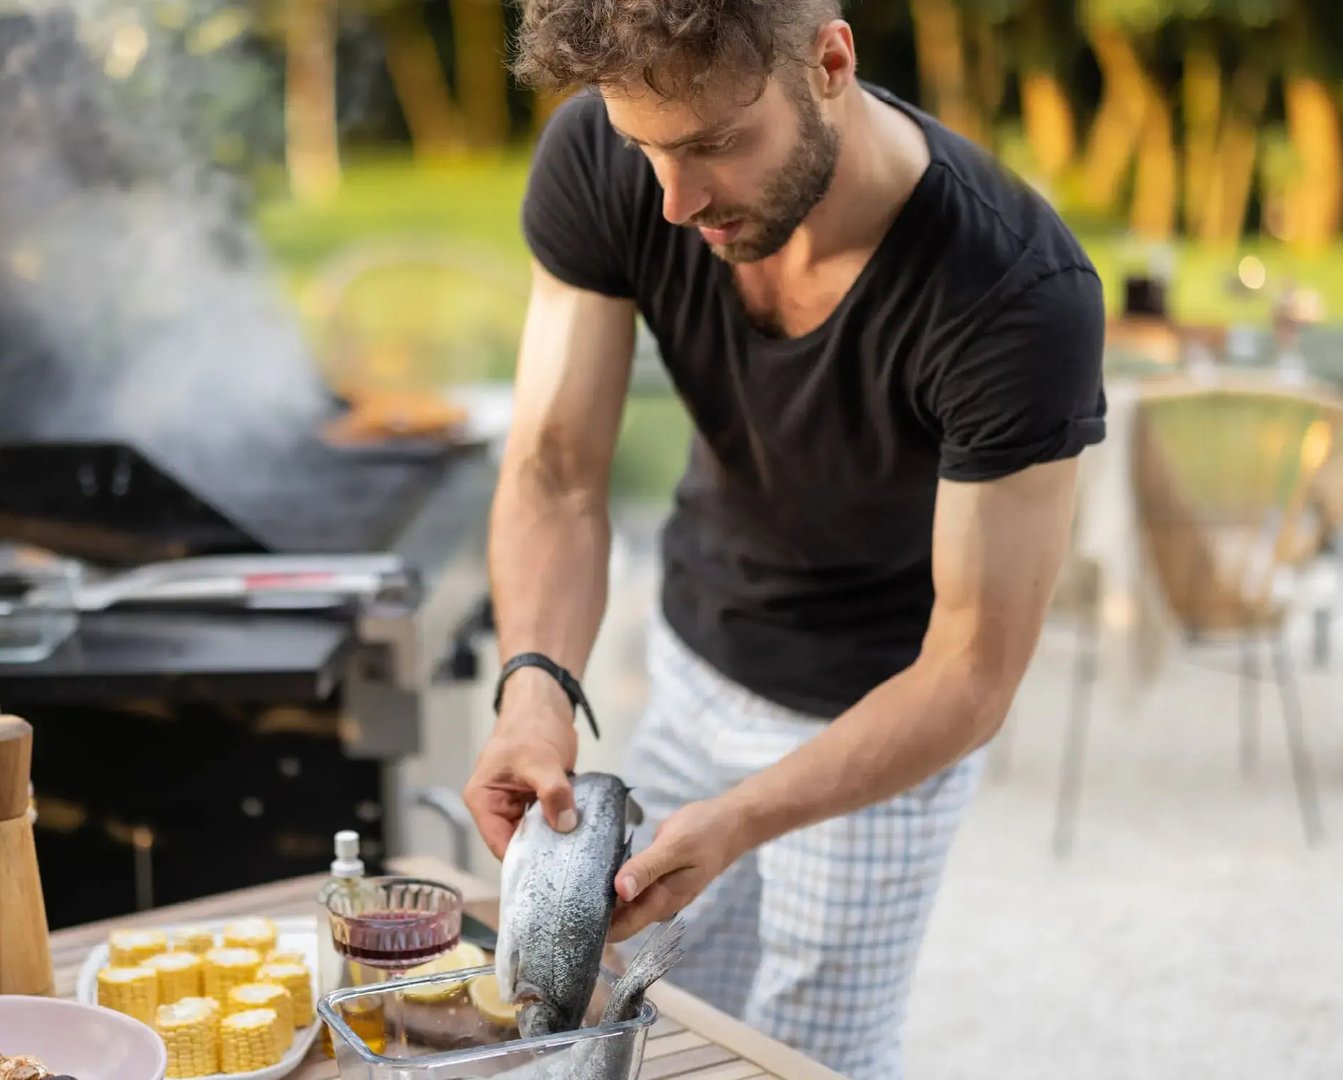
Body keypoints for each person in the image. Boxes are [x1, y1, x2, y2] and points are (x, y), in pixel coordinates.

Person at [460, 2, 1106, 1077]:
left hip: (881, 727)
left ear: (830, 60)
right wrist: (534, 687)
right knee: (635, 1040)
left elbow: (972, 674)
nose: (674, 201)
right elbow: (556, 470)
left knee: (806, 1062)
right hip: (699, 661)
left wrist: (743, 819)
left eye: (715, 143)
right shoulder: (608, 157)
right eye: (646, 150)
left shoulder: (1013, 297)